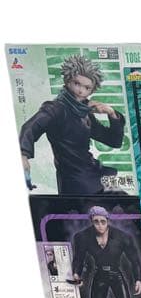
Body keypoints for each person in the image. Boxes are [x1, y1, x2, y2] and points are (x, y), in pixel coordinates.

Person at [19, 53, 127, 194]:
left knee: (126, 202)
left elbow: (113, 141)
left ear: (92, 90)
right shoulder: (56, 108)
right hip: (75, 182)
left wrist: (112, 114)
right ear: (67, 80)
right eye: (77, 83)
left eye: (87, 88)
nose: (80, 90)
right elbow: (31, 127)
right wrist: (23, 155)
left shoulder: (85, 112)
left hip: (94, 175)